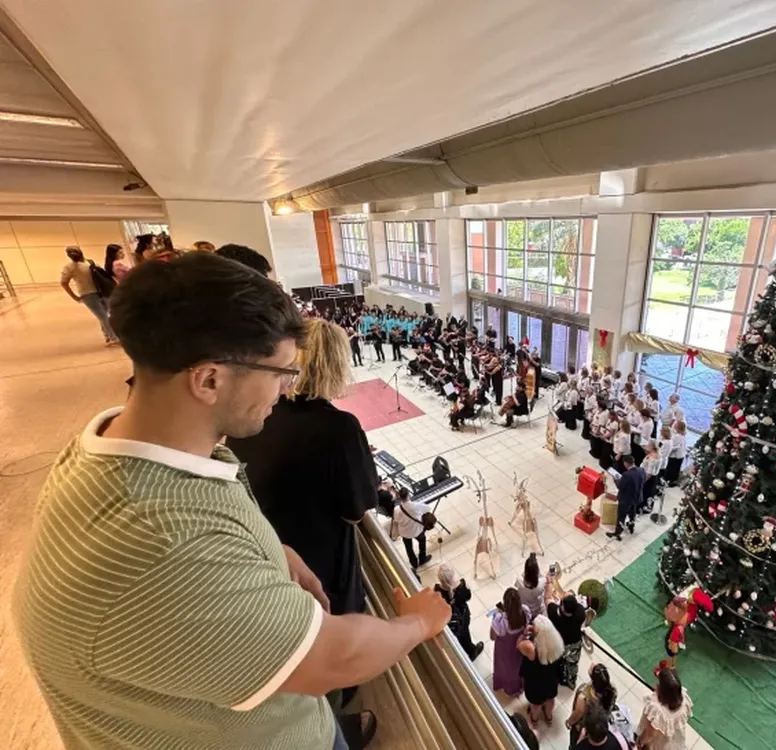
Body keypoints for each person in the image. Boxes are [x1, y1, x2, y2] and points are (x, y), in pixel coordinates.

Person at [13, 252, 452, 750]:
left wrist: (270, 552)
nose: (289, 386)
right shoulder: (165, 541)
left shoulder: (116, 448)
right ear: (209, 379)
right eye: (281, 370)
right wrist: (419, 620)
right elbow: (333, 658)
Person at [227, 318, 374, 618]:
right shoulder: (339, 428)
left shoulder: (254, 413)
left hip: (266, 558)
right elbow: (355, 511)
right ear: (335, 365)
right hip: (319, 571)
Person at [59, 246, 118, 345]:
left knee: (104, 315)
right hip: (87, 295)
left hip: (101, 291)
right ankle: (114, 338)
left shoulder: (90, 262)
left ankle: (107, 335)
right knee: (103, 316)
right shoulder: (69, 267)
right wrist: (74, 297)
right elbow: (64, 283)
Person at [518, 615, 564, 726]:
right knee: (550, 699)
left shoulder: (531, 649)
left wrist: (524, 633)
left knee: (535, 705)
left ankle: (535, 719)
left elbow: (518, 645)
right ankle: (549, 716)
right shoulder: (557, 644)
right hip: (551, 680)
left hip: (535, 684)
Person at [434, 564, 484, 662]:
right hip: (463, 617)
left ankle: (461, 649)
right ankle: (471, 651)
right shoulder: (462, 586)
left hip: (448, 621)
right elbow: (468, 597)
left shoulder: (437, 591)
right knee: (465, 634)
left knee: (458, 636)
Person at [636, 667, 693, 750]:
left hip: (658, 744)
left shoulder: (657, 710)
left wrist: (641, 741)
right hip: (673, 741)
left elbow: (650, 734)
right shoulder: (684, 700)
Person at [545, 581, 587, 689]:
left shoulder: (554, 613)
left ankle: (557, 677)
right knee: (572, 663)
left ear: (562, 606)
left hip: (558, 643)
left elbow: (547, 598)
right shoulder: (580, 613)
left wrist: (549, 582)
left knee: (556, 662)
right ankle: (570, 680)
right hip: (574, 644)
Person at [491, 588, 529, 697]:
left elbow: (492, 637)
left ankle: (502, 684)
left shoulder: (500, 620)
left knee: (504, 667)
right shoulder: (525, 612)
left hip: (504, 650)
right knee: (516, 667)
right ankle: (516, 687)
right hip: (519, 647)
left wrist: (495, 616)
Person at [566, 663, 618, 740]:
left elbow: (578, 713)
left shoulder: (584, 696)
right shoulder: (612, 691)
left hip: (582, 729)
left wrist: (569, 723)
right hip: (598, 727)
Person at [392, 487, 434, 575]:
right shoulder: (415, 505)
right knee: (422, 542)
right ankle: (422, 559)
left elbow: (396, 520)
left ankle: (414, 563)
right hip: (417, 531)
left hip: (404, 533)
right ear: (408, 495)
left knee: (409, 548)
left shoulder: (396, 509)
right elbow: (428, 508)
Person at [607, 454, 645, 540]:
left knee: (621, 516)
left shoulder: (627, 475)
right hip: (636, 497)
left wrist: (616, 479)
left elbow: (620, 486)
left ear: (626, 463)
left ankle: (618, 532)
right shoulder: (641, 470)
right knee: (632, 513)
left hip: (626, 499)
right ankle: (631, 527)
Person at [516, 553, 545, 619]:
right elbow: (542, 578)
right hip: (537, 610)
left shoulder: (519, 580)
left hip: (524, 610)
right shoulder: (541, 582)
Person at [664, 421, 687, 486]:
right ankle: (673, 481)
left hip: (675, 456)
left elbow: (673, 447)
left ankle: (669, 481)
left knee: (671, 470)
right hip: (680, 456)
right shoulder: (682, 436)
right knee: (676, 470)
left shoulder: (677, 437)